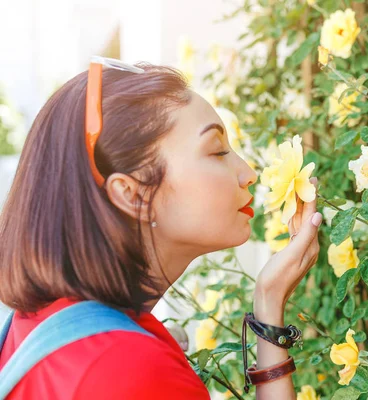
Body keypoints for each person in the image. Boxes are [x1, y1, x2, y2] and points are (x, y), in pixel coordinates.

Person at [0, 58, 322, 399]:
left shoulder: (39, 325)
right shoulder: (128, 369)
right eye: (217, 151)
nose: (247, 173)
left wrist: (268, 302)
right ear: (132, 194)